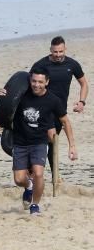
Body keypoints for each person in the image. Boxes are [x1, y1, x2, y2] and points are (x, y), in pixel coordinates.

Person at [6, 67, 78, 215]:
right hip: (20, 141)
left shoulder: (53, 100)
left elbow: (65, 121)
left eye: (40, 82)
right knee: (19, 179)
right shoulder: (21, 95)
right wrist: (4, 95)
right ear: (30, 80)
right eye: (34, 81)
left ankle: (35, 204)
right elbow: (6, 106)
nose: (36, 85)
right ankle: (29, 186)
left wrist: (72, 145)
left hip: (39, 142)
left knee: (38, 173)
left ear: (47, 82)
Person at [31, 36, 88, 115]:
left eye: (61, 51)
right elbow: (29, 83)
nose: (58, 55)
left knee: (58, 127)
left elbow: (84, 84)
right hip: (41, 105)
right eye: (55, 52)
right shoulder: (40, 64)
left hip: (61, 107)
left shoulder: (72, 64)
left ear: (65, 49)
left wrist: (82, 102)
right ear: (50, 50)